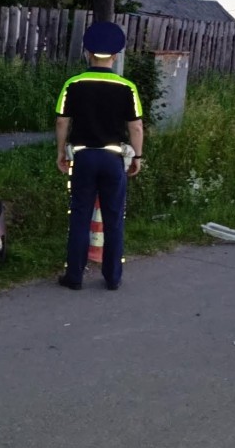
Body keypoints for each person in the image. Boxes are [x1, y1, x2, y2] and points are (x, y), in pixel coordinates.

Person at [55, 21, 144, 291]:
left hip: (83, 158)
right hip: (113, 159)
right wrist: (137, 157)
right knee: (114, 217)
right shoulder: (127, 87)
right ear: (115, 56)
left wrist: (61, 152)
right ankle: (113, 277)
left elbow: (62, 121)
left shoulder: (73, 83)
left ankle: (74, 277)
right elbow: (136, 126)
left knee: (79, 216)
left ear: (87, 53)